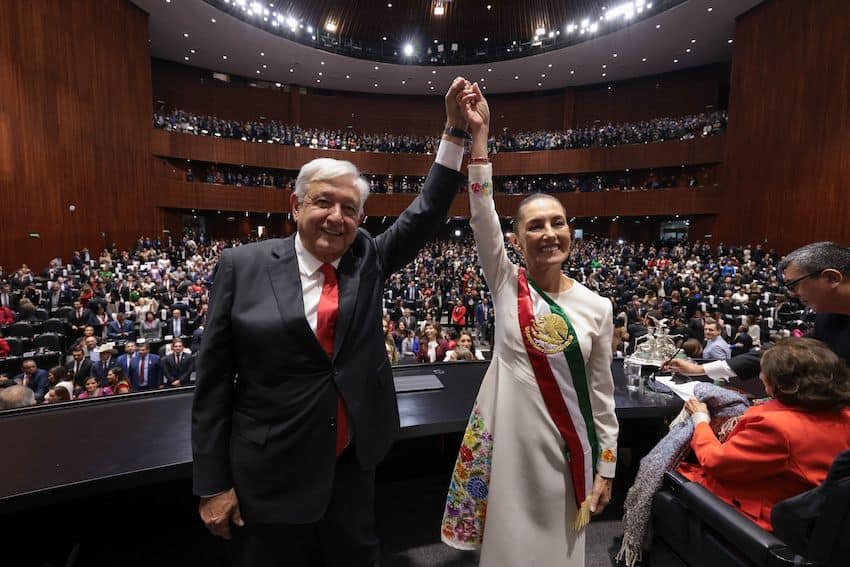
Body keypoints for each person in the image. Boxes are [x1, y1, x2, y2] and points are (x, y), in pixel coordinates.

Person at [192, 79, 469, 567]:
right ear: (296, 204)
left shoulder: (368, 258)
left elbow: (426, 212)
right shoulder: (243, 265)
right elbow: (214, 384)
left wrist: (454, 131)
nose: (335, 217)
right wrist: (212, 483)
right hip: (270, 469)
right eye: (323, 202)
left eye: (349, 208)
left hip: (351, 461)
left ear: (361, 218)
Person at [441, 83, 618, 566]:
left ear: (571, 234)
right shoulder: (506, 283)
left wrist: (606, 466)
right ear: (516, 239)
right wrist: (479, 138)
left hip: (567, 456)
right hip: (510, 453)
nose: (548, 234)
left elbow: (601, 395)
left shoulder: (597, 307)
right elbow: (481, 216)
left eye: (557, 223)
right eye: (534, 226)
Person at [679, 338, 850, 531]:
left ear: (784, 384)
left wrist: (700, 420)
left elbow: (714, 462)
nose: (761, 375)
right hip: (811, 520)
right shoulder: (845, 416)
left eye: (763, 371)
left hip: (753, 519)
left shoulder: (775, 427)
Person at [667, 242, 850, 380]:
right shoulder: (828, 318)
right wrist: (702, 369)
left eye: (794, 285)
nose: (792, 294)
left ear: (831, 278)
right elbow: (787, 351)